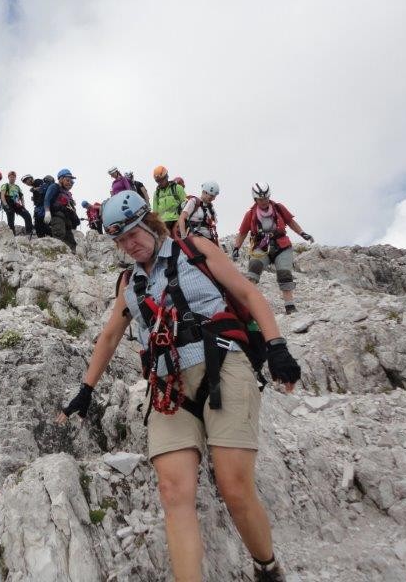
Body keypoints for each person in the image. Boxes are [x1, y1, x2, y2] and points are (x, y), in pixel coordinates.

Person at [56, 190, 300, 582]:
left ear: (151, 224)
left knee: (234, 486)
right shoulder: (129, 283)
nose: (129, 245)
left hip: (223, 366)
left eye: (134, 234)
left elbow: (247, 293)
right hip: (168, 386)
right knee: (173, 491)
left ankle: (267, 567)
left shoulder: (195, 249)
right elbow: (109, 337)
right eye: (121, 240)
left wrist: (277, 347)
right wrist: (85, 391)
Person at [232, 183, 314, 315]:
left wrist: (302, 233)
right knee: (254, 267)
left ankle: (290, 306)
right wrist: (236, 247)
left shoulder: (279, 208)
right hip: (261, 246)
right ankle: (247, 304)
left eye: (266, 198)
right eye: (260, 199)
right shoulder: (250, 214)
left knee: (284, 273)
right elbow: (242, 232)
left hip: (282, 246)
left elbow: (290, 222)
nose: (264, 201)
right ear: (255, 199)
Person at [43, 169, 80, 253]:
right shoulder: (54, 187)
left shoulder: (67, 194)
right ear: (60, 179)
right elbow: (47, 199)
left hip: (67, 219)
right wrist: (47, 211)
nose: (70, 183)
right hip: (57, 216)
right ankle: (56, 254)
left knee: (71, 241)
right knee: (59, 235)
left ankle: (71, 257)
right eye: (68, 180)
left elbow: (71, 207)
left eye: (72, 182)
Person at [151, 166, 187, 233]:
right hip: (163, 222)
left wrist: (182, 219)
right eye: (158, 181)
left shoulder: (177, 188)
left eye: (162, 179)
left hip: (176, 220)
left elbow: (186, 205)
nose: (160, 182)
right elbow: (155, 212)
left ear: (166, 177)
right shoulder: (156, 193)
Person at [0, 171, 34, 235]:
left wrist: (23, 206)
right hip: (9, 203)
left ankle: (29, 232)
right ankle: (12, 235)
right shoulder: (5, 185)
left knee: (27, 215)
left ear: (15, 178)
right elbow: (2, 196)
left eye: (13, 177)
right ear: (8, 177)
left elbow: (21, 197)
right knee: (11, 219)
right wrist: (6, 205)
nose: (12, 178)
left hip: (16, 204)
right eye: (11, 177)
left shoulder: (17, 187)